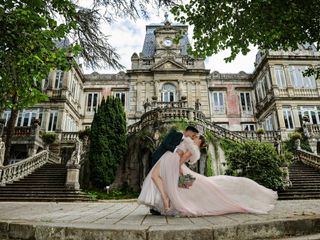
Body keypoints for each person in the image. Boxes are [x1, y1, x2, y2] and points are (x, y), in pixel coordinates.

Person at [138, 135, 278, 217]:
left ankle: (165, 200)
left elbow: (180, 160)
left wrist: (177, 170)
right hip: (173, 163)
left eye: (198, 137)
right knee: (162, 180)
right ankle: (164, 200)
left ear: (200, 142)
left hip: (173, 163)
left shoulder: (193, 148)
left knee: (165, 180)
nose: (195, 136)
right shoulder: (190, 145)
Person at [149, 126, 199, 215]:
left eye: (195, 136)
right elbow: (165, 144)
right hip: (160, 158)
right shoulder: (177, 134)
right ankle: (157, 206)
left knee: (172, 183)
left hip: (172, 163)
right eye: (193, 134)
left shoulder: (189, 143)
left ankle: (164, 205)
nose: (193, 136)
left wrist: (179, 164)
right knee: (158, 180)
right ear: (188, 131)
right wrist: (176, 150)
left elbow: (187, 156)